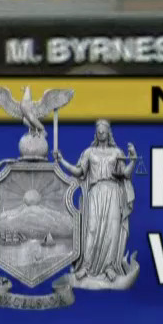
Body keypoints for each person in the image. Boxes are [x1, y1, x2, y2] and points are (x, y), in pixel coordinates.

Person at [57, 120, 138, 288]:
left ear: (108, 132)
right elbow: (79, 171)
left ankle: (110, 267)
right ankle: (86, 267)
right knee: (91, 229)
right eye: (99, 130)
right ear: (96, 133)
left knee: (112, 230)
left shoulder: (117, 152)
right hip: (95, 192)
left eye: (104, 130)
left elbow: (125, 174)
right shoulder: (89, 152)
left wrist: (133, 160)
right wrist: (62, 160)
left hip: (113, 192)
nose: (101, 133)